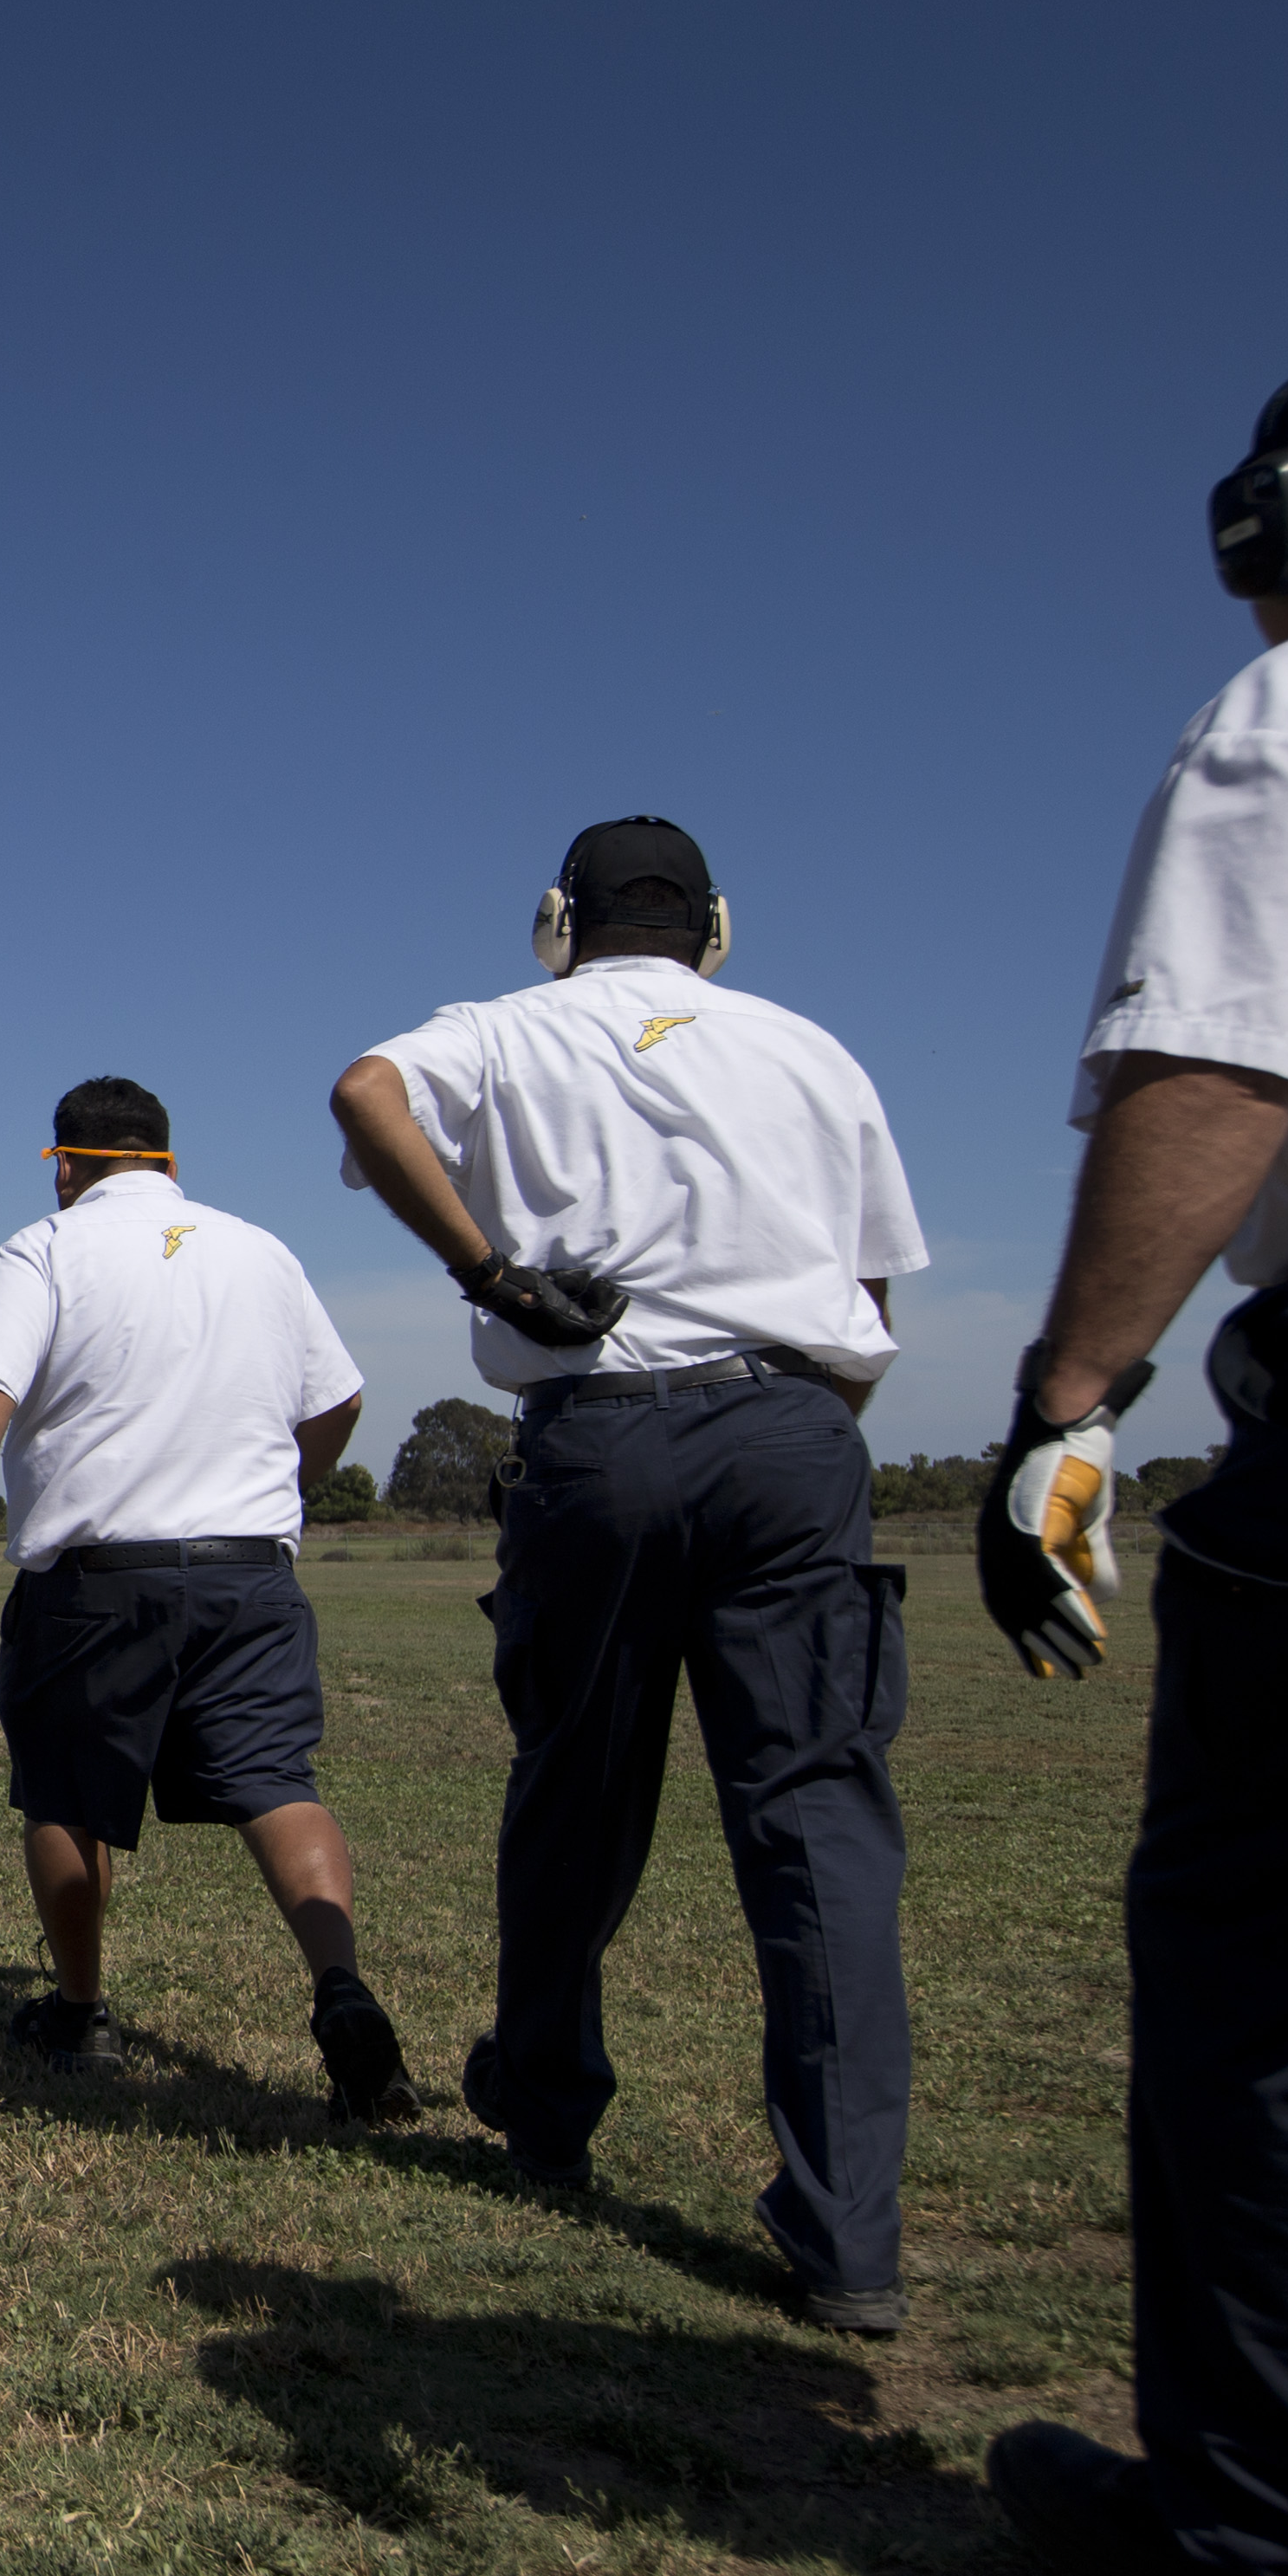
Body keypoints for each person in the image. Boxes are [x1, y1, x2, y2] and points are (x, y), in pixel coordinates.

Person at [979, 338, 1288, 2576]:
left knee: (1284, 1964)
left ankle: (1262, 2536)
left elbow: (1215, 1054)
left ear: (1281, 512)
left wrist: (1071, 1394)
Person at [331, 813, 927, 2335]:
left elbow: (365, 1090)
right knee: (815, 1827)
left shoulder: (501, 1029)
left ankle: (543, 2103)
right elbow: (862, 1294)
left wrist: (484, 1270)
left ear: (555, 921)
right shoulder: (811, 1052)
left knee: (576, 1784)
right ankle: (845, 2233)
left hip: (595, 1429)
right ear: (712, 926)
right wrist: (790, 1429)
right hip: (793, 1432)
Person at [0, 1078, 412, 2116]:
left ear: (65, 1163)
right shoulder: (261, 1249)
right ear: (165, 1160)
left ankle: (83, 2010)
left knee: (66, 1793)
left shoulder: (45, 1249)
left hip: (101, 1580)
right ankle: (341, 1987)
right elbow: (341, 1397)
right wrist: (280, 1489)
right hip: (250, 1571)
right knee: (277, 1780)